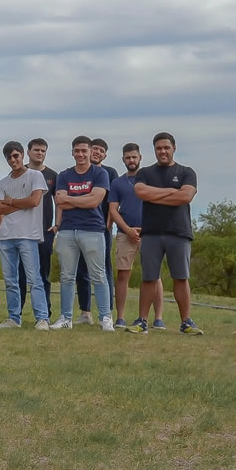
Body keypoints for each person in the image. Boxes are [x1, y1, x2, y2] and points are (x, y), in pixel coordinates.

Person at [129, 132, 203, 335]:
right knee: (149, 278)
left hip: (178, 232)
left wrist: (156, 195)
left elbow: (186, 196)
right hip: (151, 232)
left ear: (174, 148)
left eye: (166, 148)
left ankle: (186, 322)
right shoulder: (145, 172)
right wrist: (172, 191)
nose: (162, 151)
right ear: (154, 150)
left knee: (181, 277)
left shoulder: (187, 172)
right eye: (158, 148)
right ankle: (142, 321)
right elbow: (141, 193)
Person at [51, 136, 114, 332]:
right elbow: (59, 201)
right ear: (72, 152)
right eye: (76, 151)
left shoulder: (100, 173)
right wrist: (82, 198)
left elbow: (95, 201)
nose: (80, 154)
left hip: (93, 229)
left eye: (84, 151)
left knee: (98, 276)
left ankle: (105, 318)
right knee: (67, 276)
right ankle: (66, 318)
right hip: (67, 229)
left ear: (90, 152)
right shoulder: (64, 175)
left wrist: (71, 198)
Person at [0, 142, 51, 331]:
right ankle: (13, 317)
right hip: (6, 235)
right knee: (10, 280)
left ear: (22, 155)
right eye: (9, 157)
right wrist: (18, 203)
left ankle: (42, 318)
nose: (13, 160)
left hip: (28, 234)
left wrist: (10, 201)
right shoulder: (3, 182)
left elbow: (34, 201)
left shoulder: (35, 176)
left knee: (34, 279)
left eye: (16, 156)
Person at [109, 142, 162, 329]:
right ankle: (121, 317)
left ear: (140, 158)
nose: (131, 160)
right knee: (123, 274)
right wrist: (128, 229)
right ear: (123, 159)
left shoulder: (150, 178)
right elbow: (113, 210)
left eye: (134, 157)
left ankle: (158, 318)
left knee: (154, 275)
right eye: (128, 157)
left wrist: (145, 228)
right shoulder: (118, 183)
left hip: (150, 233)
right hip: (125, 233)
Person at [73, 138, 120, 324]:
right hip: (79, 227)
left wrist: (108, 226)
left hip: (101, 228)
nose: (97, 153)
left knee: (103, 269)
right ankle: (85, 312)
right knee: (81, 270)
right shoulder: (79, 172)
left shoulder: (109, 173)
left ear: (105, 154)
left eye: (101, 150)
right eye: (95, 149)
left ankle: (106, 311)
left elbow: (112, 202)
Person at [19, 138, 57, 316]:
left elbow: (60, 202)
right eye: (36, 150)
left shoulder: (52, 175)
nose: (39, 153)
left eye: (42, 150)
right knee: (20, 274)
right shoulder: (20, 172)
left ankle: (44, 312)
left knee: (43, 275)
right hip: (21, 231)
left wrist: (57, 225)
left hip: (44, 231)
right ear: (28, 152)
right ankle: (16, 311)